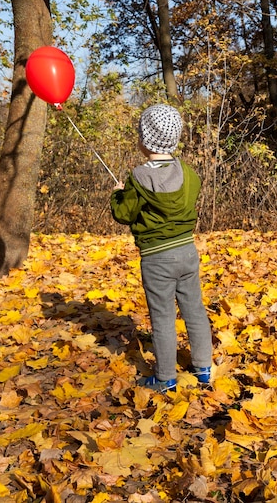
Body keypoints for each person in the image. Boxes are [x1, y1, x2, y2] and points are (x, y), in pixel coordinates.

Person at [110, 103, 213, 392]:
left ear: (145, 140)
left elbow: (124, 214)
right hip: (187, 252)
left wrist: (118, 196)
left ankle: (166, 377)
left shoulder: (139, 178)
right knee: (194, 309)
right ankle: (204, 367)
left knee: (163, 317)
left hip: (157, 259)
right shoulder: (189, 174)